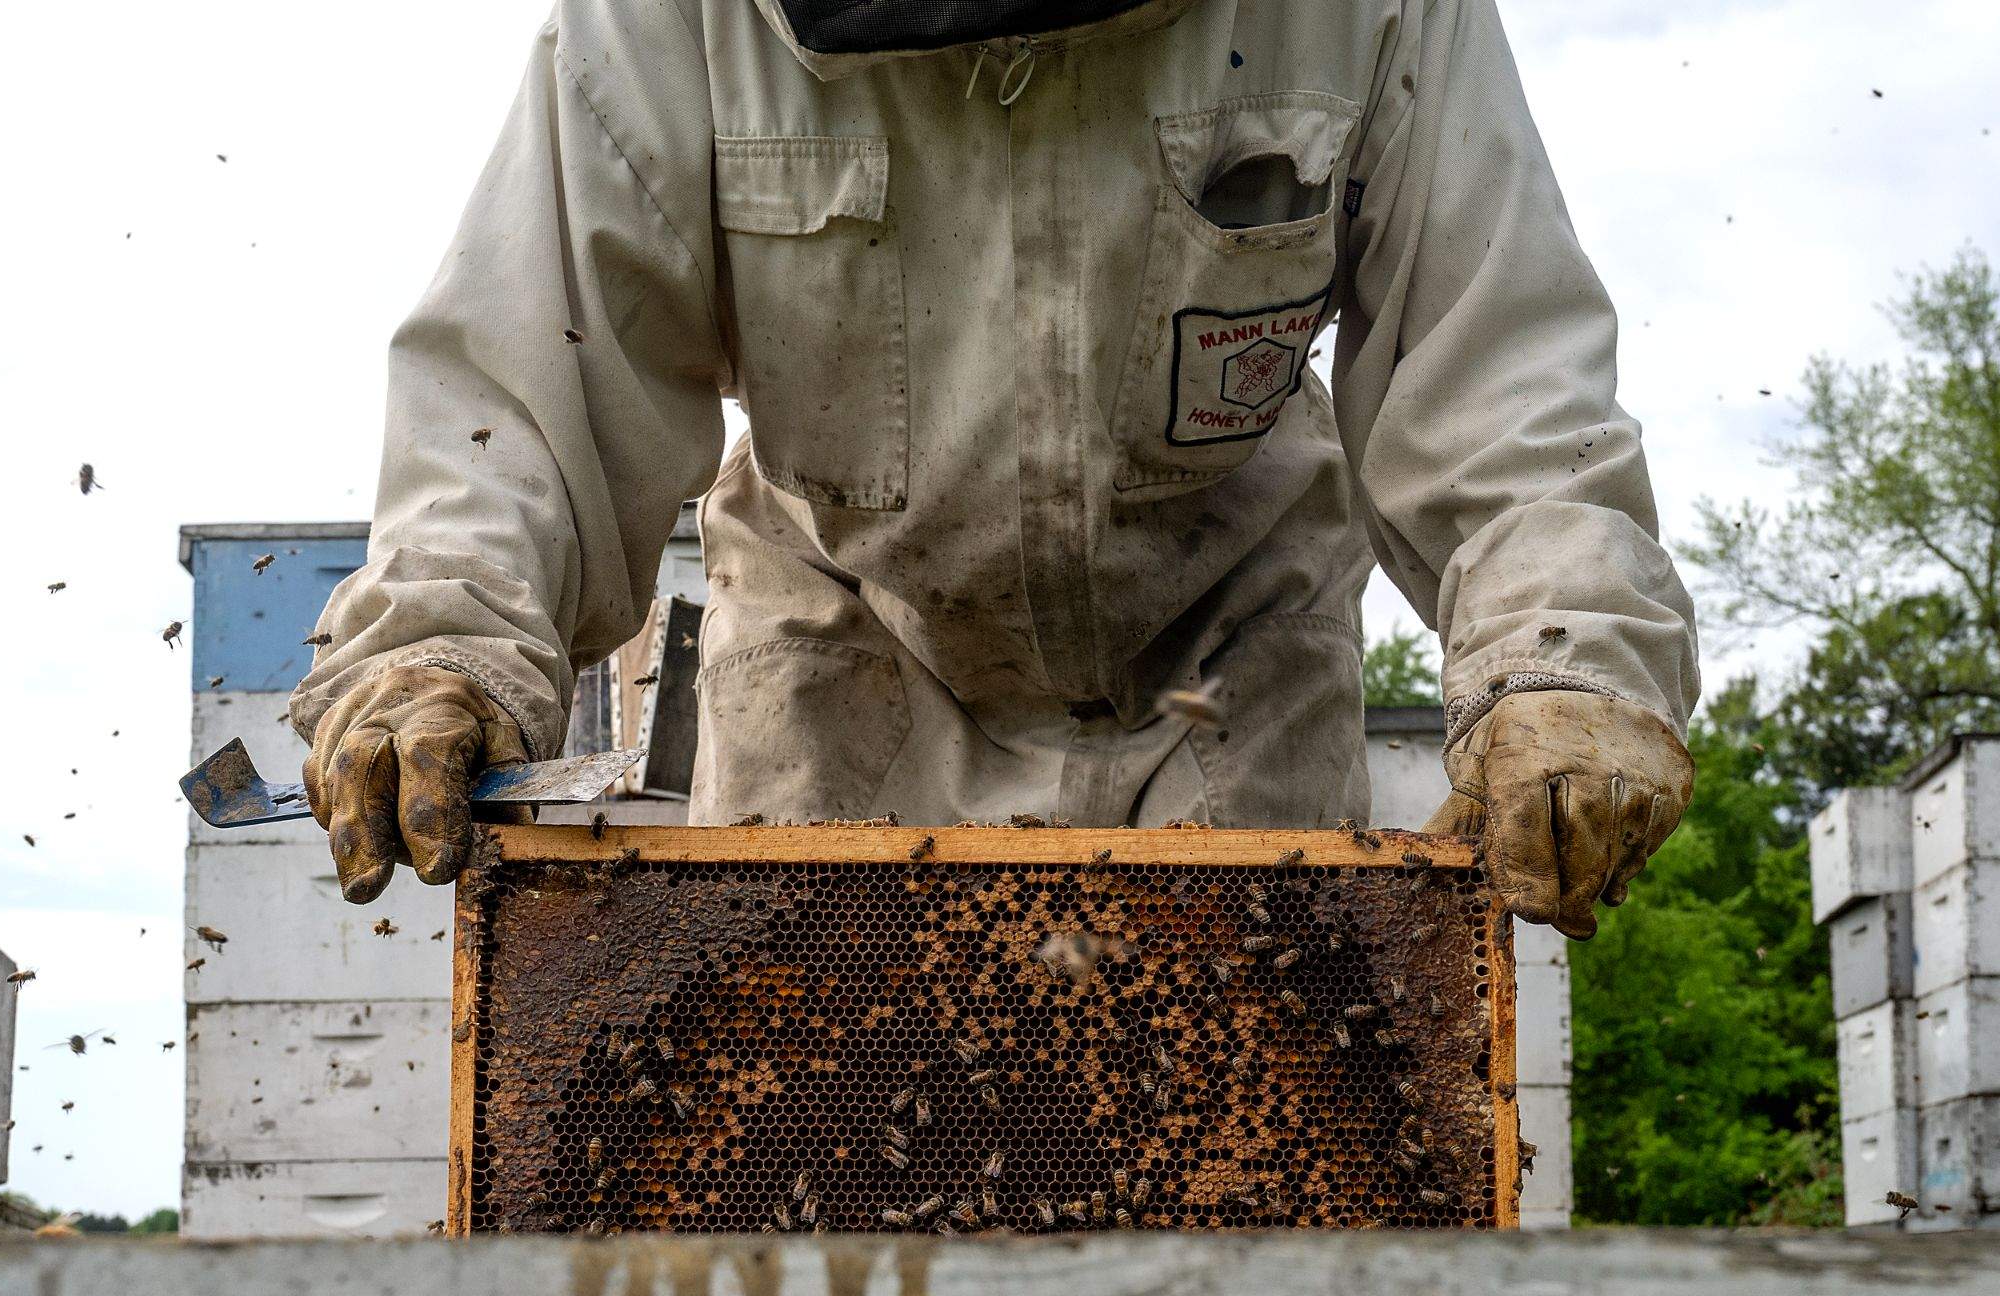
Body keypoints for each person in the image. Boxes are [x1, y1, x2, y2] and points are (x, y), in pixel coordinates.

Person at [293, 0, 1698, 939]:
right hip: (842, 640)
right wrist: (444, 640)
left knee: (1228, 1230)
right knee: (810, 1189)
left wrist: (1563, 653)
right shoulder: (670, 21)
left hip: (1226, 646)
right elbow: (535, 368)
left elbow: (1494, 357)